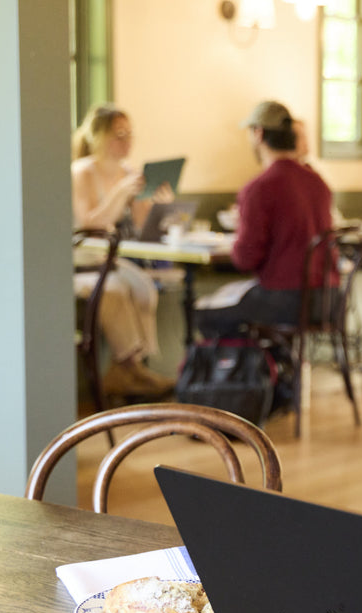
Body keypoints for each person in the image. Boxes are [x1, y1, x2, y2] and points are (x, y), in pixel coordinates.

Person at [195, 101, 336, 339]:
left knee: (204, 313)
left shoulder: (259, 188)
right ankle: (276, 368)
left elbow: (245, 259)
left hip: (285, 301)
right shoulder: (318, 183)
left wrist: (241, 233)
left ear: (258, 133)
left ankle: (252, 373)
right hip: (329, 299)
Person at [71, 103, 176, 399]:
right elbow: (86, 223)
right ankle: (128, 370)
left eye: (130, 134)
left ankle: (130, 368)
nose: (126, 140)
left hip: (112, 259)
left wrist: (160, 202)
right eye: (119, 134)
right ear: (99, 136)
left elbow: (143, 224)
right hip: (81, 261)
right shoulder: (81, 171)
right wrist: (119, 192)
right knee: (113, 290)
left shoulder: (129, 171)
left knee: (144, 288)